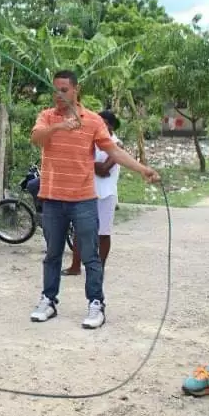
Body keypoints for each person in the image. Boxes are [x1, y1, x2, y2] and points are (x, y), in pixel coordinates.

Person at [30, 70, 159, 329]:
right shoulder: (46, 117)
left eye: (64, 90)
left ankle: (96, 304)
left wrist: (142, 169)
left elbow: (113, 151)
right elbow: (36, 138)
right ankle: (48, 300)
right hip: (53, 199)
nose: (59, 95)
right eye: (55, 90)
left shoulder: (93, 121)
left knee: (91, 255)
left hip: (83, 199)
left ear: (76, 90)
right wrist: (58, 126)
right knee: (53, 254)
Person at [63, 109, 121, 277]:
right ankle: (75, 266)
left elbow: (104, 169)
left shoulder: (116, 144)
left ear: (109, 125)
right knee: (80, 231)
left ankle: (99, 268)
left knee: (103, 233)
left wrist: (87, 161)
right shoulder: (92, 142)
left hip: (106, 194)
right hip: (87, 192)